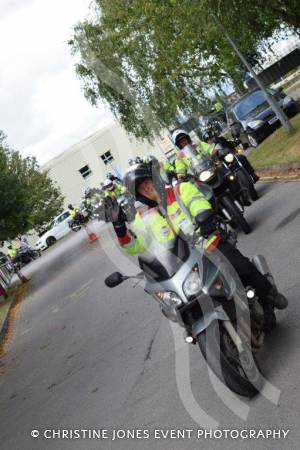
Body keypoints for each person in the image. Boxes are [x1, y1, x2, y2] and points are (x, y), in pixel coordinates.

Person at [111, 161, 287, 310]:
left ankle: (269, 294)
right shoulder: (144, 218)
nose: (147, 188)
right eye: (141, 188)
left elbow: (199, 204)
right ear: (139, 195)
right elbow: (136, 246)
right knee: (183, 305)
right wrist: (120, 228)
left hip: (208, 246)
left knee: (240, 267)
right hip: (182, 264)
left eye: (147, 182)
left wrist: (205, 218)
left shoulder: (181, 190)